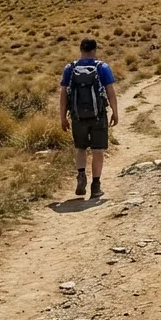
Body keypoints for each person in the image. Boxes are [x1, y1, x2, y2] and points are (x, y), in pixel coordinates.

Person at [59, 38, 119, 200]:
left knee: (81, 148)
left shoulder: (69, 68)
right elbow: (110, 91)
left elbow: (64, 94)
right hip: (98, 115)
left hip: (78, 116)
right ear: (94, 50)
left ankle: (81, 176)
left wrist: (62, 116)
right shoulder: (102, 67)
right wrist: (115, 111)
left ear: (80, 49)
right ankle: (96, 186)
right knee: (97, 150)